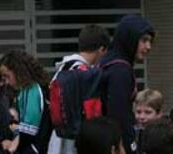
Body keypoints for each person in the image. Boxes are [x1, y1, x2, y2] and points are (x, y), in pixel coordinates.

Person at [47, 24, 111, 154]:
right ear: (102, 49)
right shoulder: (86, 75)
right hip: (76, 141)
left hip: (58, 137)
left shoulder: (62, 69)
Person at [99, 14, 155, 154]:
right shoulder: (120, 70)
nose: (148, 46)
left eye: (150, 41)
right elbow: (119, 116)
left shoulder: (107, 61)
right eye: (144, 40)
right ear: (129, 38)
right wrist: (128, 146)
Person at [0, 50, 52, 154]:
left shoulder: (32, 89)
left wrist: (13, 144)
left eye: (7, 76)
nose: (6, 82)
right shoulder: (24, 91)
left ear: (17, 71)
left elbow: (29, 131)